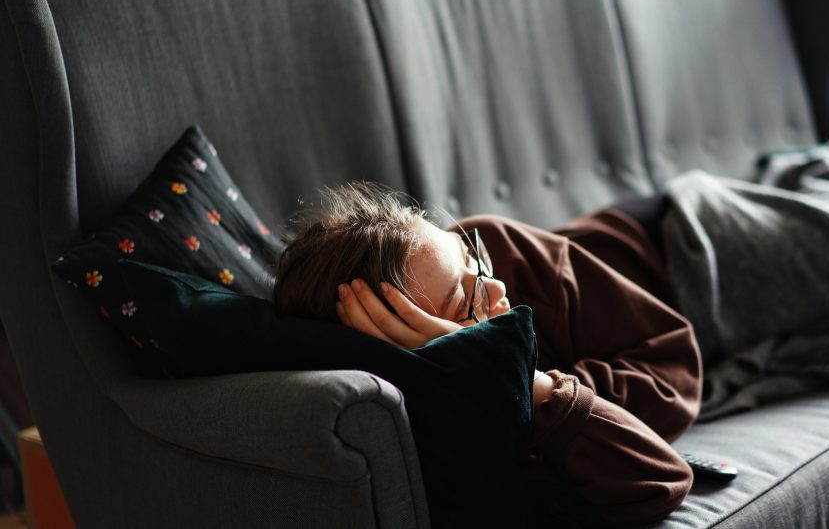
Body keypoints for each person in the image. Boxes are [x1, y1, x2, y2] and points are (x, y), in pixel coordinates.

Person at [273, 182, 702, 526]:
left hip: (681, 236)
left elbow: (675, 369)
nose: (496, 288)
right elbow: (661, 481)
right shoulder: (452, 423)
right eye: (464, 303)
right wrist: (521, 381)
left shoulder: (498, 246)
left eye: (469, 257)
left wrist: (535, 382)